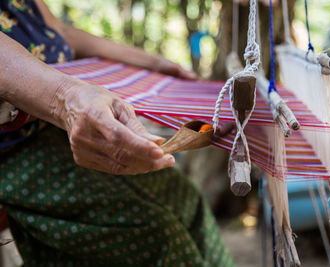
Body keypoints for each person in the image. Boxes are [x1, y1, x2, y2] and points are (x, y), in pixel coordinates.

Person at [0, 0, 234, 266]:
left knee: (186, 199)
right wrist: (64, 98)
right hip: (13, 152)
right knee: (157, 236)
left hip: (53, 131)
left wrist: (153, 63)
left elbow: (60, 31)